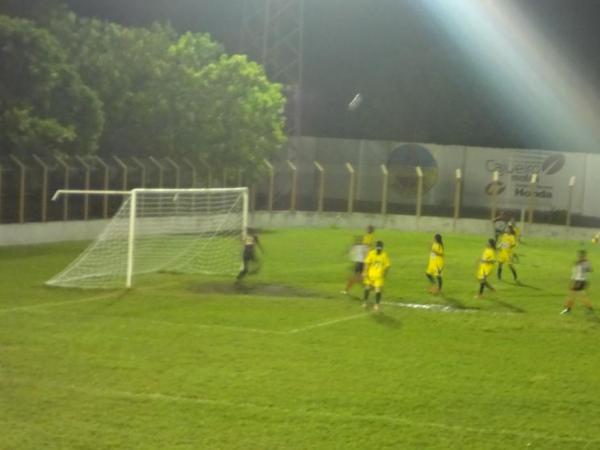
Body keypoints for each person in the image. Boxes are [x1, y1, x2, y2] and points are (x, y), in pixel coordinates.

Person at [561, 250, 593, 314]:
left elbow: (575, 273)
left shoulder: (578, 263)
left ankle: (568, 309)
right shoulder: (586, 263)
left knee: (572, 295)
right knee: (582, 296)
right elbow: (590, 270)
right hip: (583, 281)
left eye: (579, 255)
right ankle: (589, 309)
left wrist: (572, 282)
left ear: (580, 256)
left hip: (578, 281)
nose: (578, 256)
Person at [362, 241, 391, 311]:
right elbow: (367, 263)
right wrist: (365, 272)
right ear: (376, 247)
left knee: (377, 290)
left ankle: (377, 305)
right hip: (370, 275)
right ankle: (365, 302)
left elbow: (387, 266)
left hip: (379, 276)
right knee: (367, 288)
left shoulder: (384, 255)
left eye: (380, 249)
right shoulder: (371, 253)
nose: (378, 250)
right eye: (378, 248)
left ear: (382, 248)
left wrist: (385, 274)